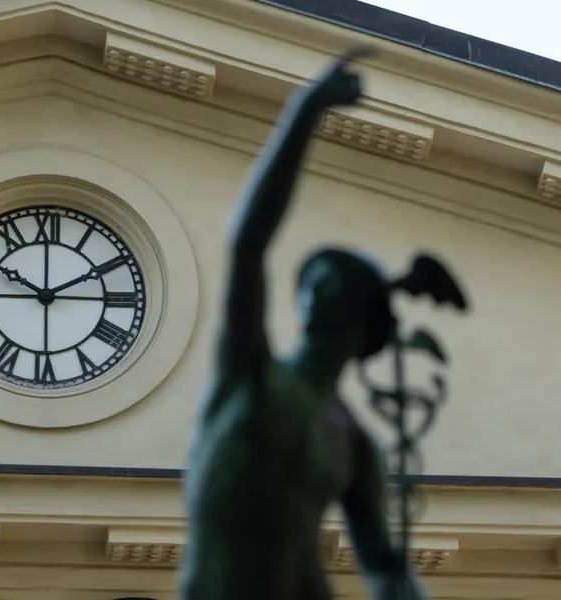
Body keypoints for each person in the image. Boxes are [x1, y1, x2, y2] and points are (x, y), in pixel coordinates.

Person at [178, 48, 429, 600]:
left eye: (333, 288)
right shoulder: (251, 374)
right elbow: (248, 244)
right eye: (311, 287)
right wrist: (305, 111)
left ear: (365, 321)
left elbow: (384, 565)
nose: (317, 299)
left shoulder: (355, 445)